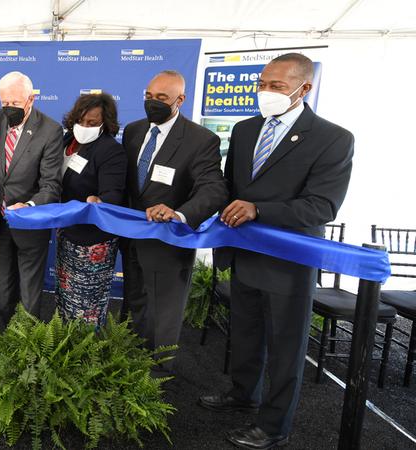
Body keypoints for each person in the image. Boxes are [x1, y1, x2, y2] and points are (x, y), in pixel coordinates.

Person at [199, 53, 354, 450]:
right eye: (263, 84)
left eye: (277, 87)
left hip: (289, 261)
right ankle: (242, 393)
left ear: (305, 89)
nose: (265, 92)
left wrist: (259, 209)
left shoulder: (333, 138)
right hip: (245, 253)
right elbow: (231, 187)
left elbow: (322, 205)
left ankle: (274, 425)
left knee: (286, 345)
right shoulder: (247, 128)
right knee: (246, 332)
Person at [122, 70, 227, 371]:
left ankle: (159, 378)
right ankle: (128, 366)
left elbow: (214, 189)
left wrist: (179, 214)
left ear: (180, 100)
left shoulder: (201, 139)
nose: (153, 103)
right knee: (134, 305)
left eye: (162, 98)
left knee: (163, 316)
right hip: (130, 238)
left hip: (169, 242)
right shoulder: (133, 131)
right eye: (149, 96)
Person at [0, 71, 63, 327]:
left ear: (30, 99)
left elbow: (51, 184)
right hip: (0, 222)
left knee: (30, 295)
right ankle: (2, 341)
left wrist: (29, 206)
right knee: (2, 290)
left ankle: (29, 348)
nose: (8, 109)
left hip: (30, 225)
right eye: (4, 103)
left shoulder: (51, 130)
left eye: (15, 103)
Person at [55, 93, 126, 326]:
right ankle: (66, 351)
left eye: (93, 123)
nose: (85, 127)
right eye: (81, 121)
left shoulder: (110, 150)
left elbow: (113, 193)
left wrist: (100, 199)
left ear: (105, 124)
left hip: (92, 242)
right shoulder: (67, 140)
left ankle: (86, 357)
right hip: (67, 234)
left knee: (87, 308)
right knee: (66, 298)